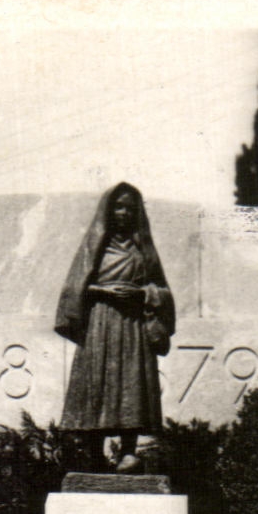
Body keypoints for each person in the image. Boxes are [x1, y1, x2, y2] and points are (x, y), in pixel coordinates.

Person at [54, 182, 175, 472]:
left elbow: (163, 290)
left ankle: (128, 452)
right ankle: (94, 453)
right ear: (108, 211)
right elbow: (73, 289)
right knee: (97, 382)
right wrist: (103, 292)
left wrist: (143, 294)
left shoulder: (143, 250)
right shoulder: (95, 247)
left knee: (131, 382)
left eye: (130, 208)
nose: (123, 213)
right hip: (100, 322)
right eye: (118, 207)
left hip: (132, 324)